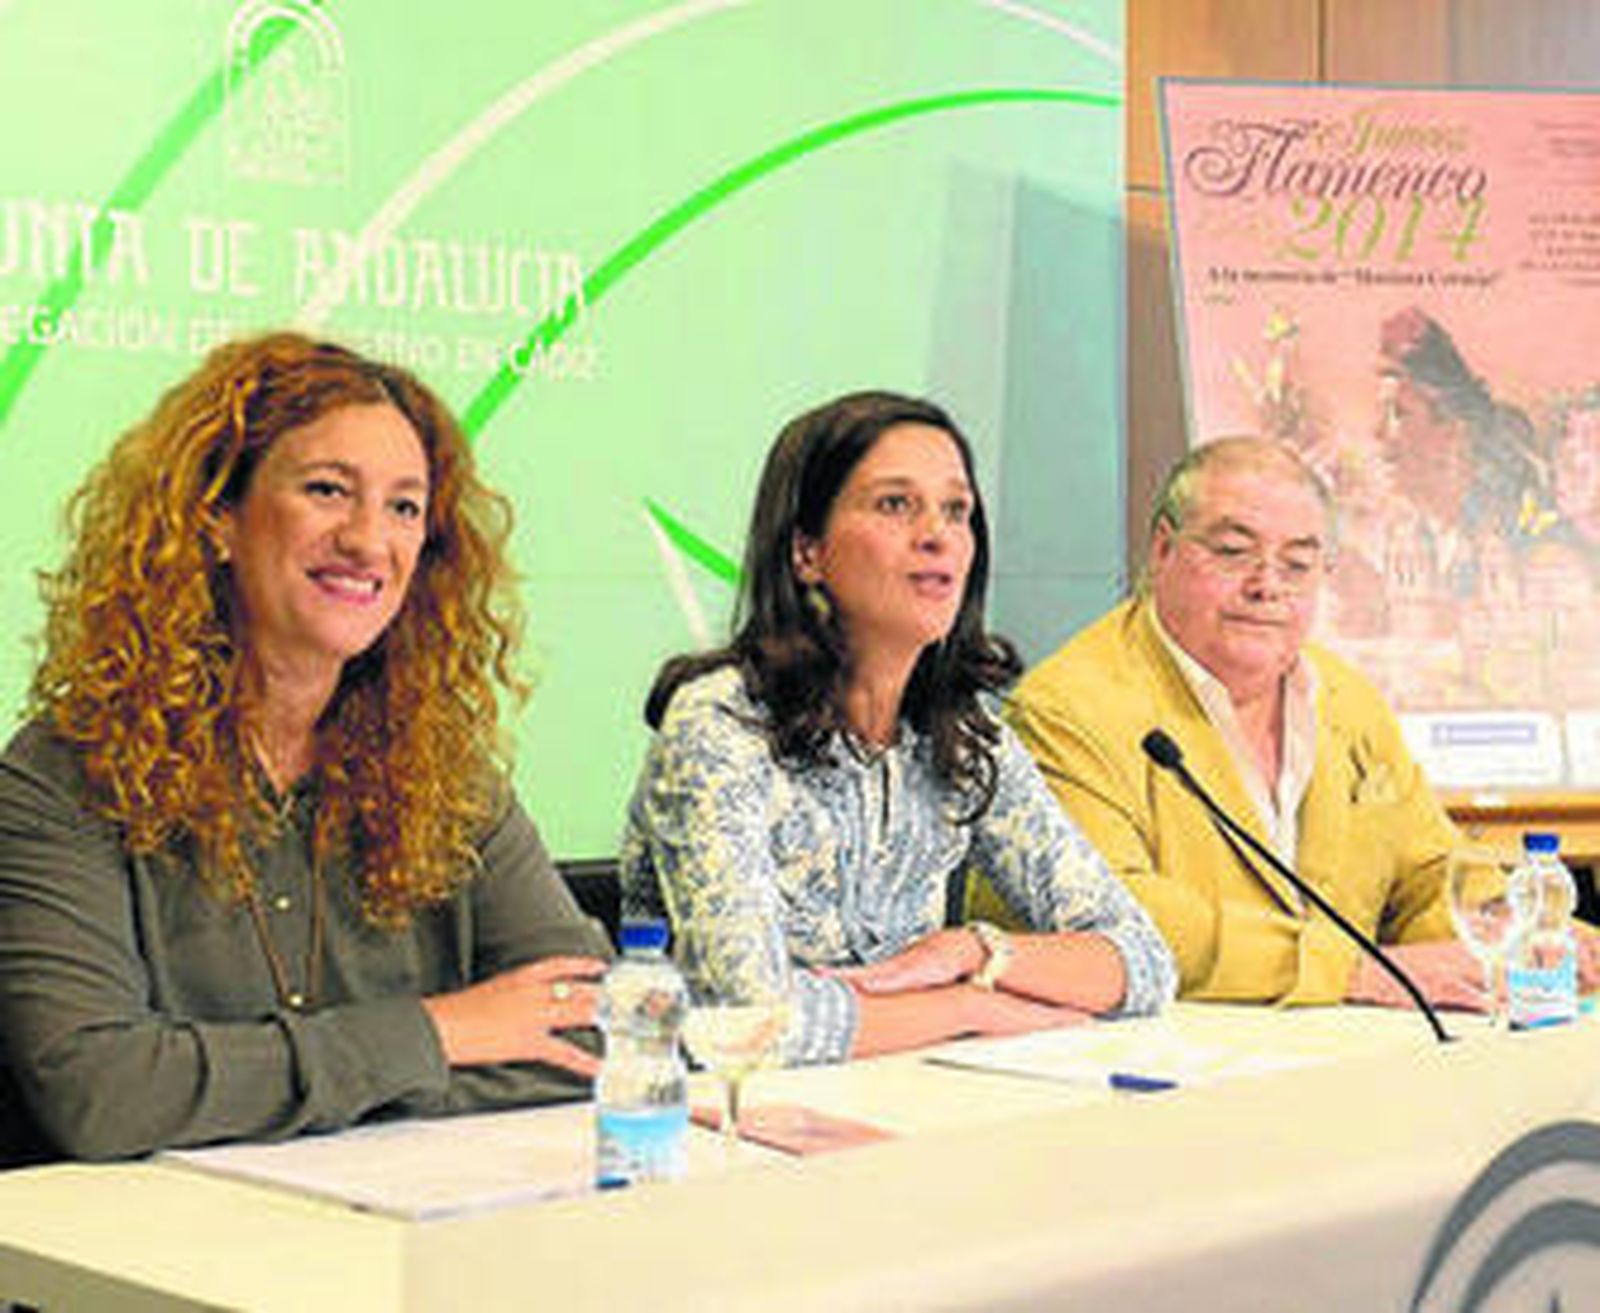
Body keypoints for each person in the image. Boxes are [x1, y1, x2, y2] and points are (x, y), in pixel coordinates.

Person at [0, 333, 611, 1165]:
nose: (369, 541)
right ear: (216, 518)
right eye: (328, 490)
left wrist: (288, 1087)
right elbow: (103, 1091)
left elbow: (592, 1030)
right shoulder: (65, 773)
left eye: (404, 507)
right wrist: (440, 1032)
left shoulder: (446, 766)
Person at [618, 391, 1175, 1066]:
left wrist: (973, 951)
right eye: (894, 504)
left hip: (908, 1103)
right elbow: (745, 1016)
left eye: (956, 509)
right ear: (806, 551)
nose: (937, 534)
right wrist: (965, 1006)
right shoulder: (720, 722)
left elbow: (1143, 962)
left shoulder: (967, 736)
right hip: (723, 1131)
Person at [1004, 436, 1600, 1006]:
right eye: (1235, 553)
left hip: (1344, 1058)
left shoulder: (1344, 697)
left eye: (1297, 564)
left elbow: (1427, 873)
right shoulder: (1066, 710)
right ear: (1163, 549)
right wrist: (1350, 973)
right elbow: (1115, 918)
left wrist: (1515, 928)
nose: (1268, 587)